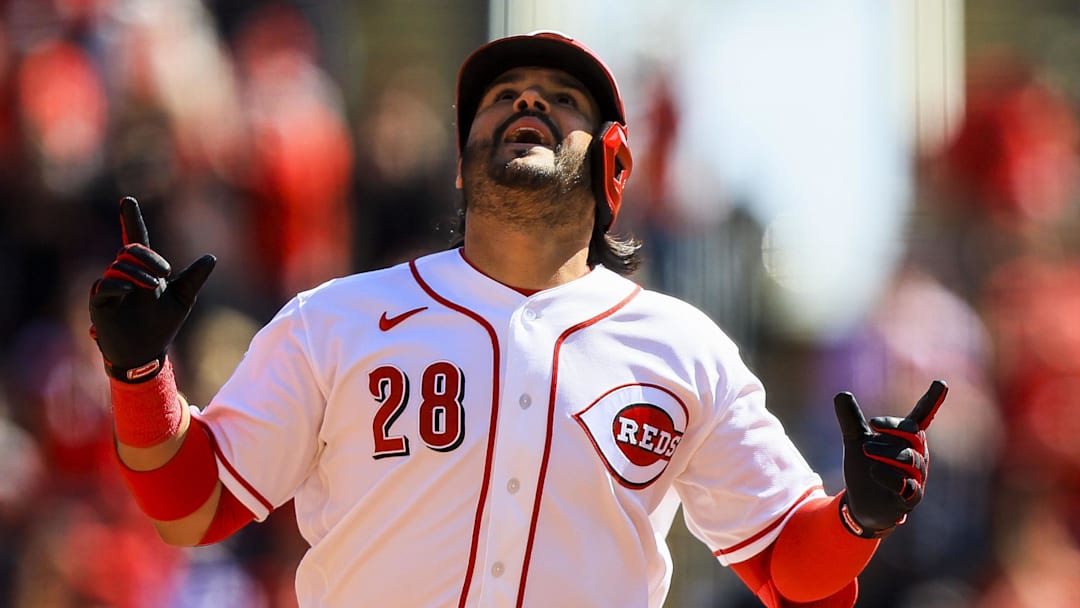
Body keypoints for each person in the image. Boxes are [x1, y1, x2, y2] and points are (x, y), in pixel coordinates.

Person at [88, 31, 948, 608]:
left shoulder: (685, 350)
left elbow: (791, 572)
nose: (525, 104)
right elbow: (192, 506)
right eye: (503, 96)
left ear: (612, 165)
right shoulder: (336, 319)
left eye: (559, 100)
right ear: (463, 167)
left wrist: (858, 519)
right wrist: (138, 376)